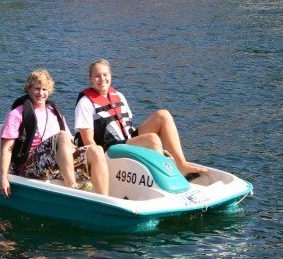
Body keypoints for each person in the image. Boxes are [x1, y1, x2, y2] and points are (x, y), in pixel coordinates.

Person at [74, 59, 208, 178]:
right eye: (97, 76)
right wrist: (100, 166)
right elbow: (88, 141)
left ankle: (182, 165)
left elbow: (128, 127)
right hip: (109, 150)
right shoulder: (85, 103)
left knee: (163, 115)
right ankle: (165, 178)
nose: (102, 79)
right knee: (152, 139)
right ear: (90, 79)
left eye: (105, 75)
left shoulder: (118, 95)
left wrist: (152, 147)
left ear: (111, 76)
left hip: (126, 140)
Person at [0, 69, 109, 198]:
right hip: (31, 166)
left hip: (56, 164)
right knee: (61, 135)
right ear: (28, 89)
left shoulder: (54, 112)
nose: (41, 93)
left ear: (49, 91)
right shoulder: (17, 114)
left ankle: (104, 200)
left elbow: (69, 143)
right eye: (37, 88)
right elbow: (7, 149)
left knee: (96, 150)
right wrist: (3, 177)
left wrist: (83, 155)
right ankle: (72, 187)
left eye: (44, 89)